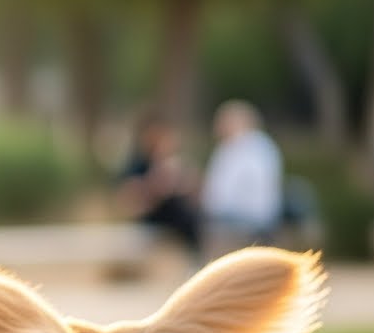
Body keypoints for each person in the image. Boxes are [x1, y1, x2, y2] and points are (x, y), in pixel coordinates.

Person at [199, 99, 284, 259]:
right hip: (255, 214)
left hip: (245, 215)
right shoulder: (259, 146)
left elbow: (222, 193)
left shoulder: (243, 148)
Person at [114, 109, 201, 260]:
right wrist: (154, 185)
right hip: (150, 217)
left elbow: (194, 189)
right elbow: (128, 201)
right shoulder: (136, 165)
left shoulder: (175, 162)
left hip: (177, 217)